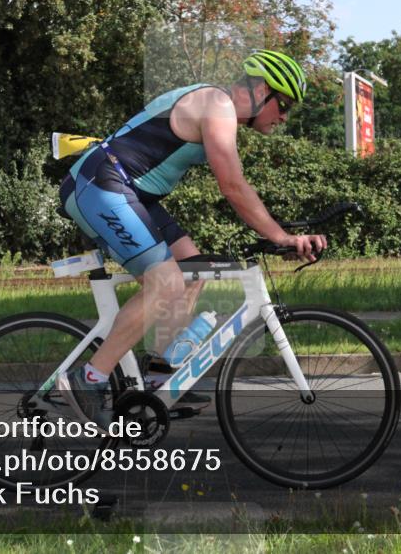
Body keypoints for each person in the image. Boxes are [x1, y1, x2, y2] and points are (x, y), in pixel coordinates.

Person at [56, 50, 327, 425]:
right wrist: (281, 236)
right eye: (283, 105)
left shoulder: (220, 110)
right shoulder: (217, 105)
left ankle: (159, 381)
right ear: (263, 90)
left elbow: (236, 186)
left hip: (130, 192)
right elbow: (232, 185)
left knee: (194, 271)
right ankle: (90, 379)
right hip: (101, 184)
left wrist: (277, 235)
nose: (284, 117)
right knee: (166, 282)